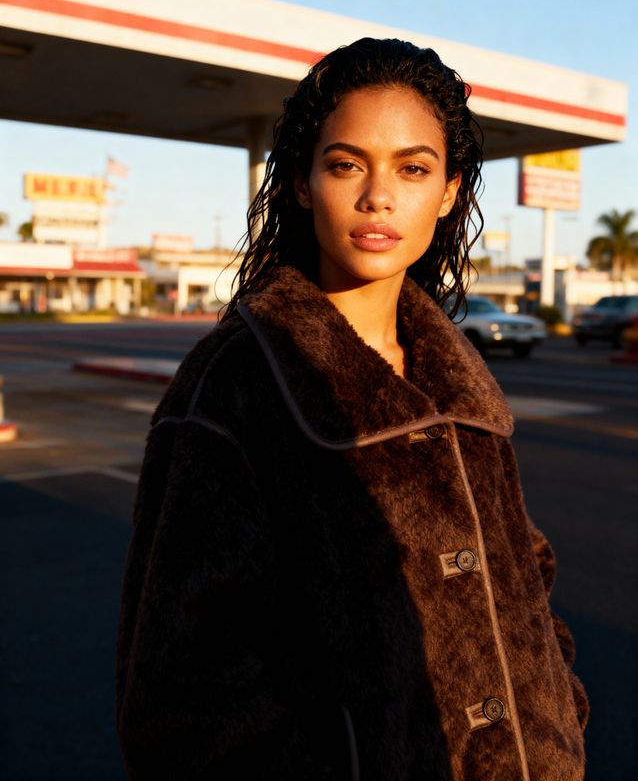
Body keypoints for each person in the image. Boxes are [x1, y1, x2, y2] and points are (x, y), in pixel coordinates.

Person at [116, 38, 588, 780]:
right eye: (346, 164)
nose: (379, 197)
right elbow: (180, 693)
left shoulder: (460, 385)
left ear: (450, 189)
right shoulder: (238, 381)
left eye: (413, 168)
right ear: (303, 183)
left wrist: (559, 715)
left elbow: (526, 580)